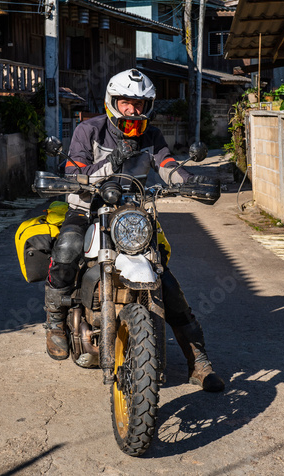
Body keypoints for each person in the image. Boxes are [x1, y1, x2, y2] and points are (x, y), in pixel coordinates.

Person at [44, 68, 225, 393]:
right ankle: (55, 320)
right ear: (113, 102)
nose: (132, 109)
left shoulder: (151, 135)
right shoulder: (89, 130)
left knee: (164, 278)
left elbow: (167, 166)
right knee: (68, 247)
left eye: (139, 103)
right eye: (126, 102)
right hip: (88, 207)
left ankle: (198, 361)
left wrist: (191, 181)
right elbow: (74, 172)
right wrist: (113, 160)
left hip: (131, 214)